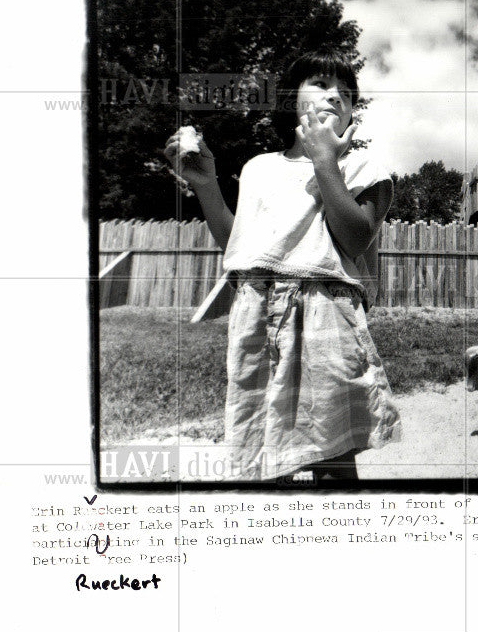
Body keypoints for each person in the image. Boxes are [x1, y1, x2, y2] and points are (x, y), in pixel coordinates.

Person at [164, 48, 401, 483]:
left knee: (331, 452)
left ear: (352, 115)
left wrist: (324, 160)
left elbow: (355, 236)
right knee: (263, 449)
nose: (336, 96)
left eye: (347, 93)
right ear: (291, 98)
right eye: (322, 85)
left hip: (324, 313)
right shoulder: (258, 168)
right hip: (257, 314)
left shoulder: (362, 166)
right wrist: (206, 185)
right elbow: (241, 245)